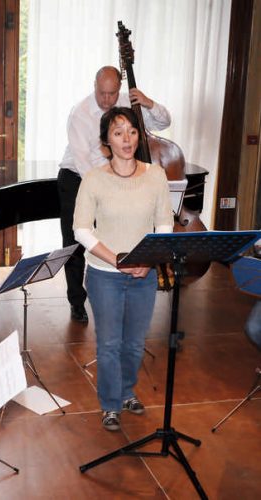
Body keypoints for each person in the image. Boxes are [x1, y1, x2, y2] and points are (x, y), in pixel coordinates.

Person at [73, 106, 173, 431]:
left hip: (144, 273)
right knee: (109, 343)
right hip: (105, 275)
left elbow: (164, 223)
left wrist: (148, 260)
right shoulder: (93, 178)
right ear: (106, 142)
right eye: (118, 133)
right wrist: (117, 259)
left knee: (134, 342)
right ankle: (111, 403)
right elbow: (82, 230)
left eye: (131, 131)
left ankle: (127, 390)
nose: (126, 138)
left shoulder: (156, 175)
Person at [58, 65, 171, 323]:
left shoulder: (126, 104)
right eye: (102, 94)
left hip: (121, 174)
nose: (108, 100)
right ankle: (77, 301)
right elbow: (84, 162)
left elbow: (164, 122)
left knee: (125, 229)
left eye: (112, 93)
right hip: (79, 177)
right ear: (94, 86)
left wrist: (149, 103)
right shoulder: (80, 113)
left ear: (119, 88)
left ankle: (126, 286)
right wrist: (107, 188)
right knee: (75, 241)